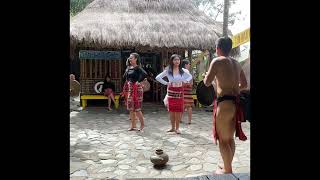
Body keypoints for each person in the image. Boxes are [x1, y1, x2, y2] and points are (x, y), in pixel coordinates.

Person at [203, 37, 248, 174]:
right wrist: (234, 90)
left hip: (224, 105)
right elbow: (244, 85)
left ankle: (228, 171)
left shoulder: (217, 61)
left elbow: (206, 82)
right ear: (230, 48)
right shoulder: (237, 63)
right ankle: (226, 165)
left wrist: (206, 76)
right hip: (235, 104)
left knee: (223, 140)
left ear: (217, 49)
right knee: (229, 139)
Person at [155, 54, 192, 134]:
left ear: (180, 61)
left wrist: (185, 81)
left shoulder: (183, 70)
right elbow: (158, 77)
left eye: (178, 60)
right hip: (171, 92)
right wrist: (166, 83)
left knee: (178, 110)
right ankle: (172, 127)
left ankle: (177, 128)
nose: (177, 61)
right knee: (171, 110)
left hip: (179, 91)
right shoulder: (168, 70)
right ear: (172, 61)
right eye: (175, 60)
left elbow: (190, 76)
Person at [123, 53, 148, 131]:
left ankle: (142, 125)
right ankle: (133, 125)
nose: (130, 59)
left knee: (137, 108)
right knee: (131, 108)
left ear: (136, 59)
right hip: (130, 89)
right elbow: (125, 77)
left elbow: (145, 74)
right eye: (129, 58)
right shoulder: (128, 68)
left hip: (137, 89)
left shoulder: (138, 68)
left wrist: (138, 81)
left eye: (131, 58)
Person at [181, 59, 193, 124]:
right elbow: (191, 83)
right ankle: (189, 121)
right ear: (185, 65)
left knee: (182, 105)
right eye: (189, 64)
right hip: (188, 90)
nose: (189, 65)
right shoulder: (187, 73)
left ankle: (180, 119)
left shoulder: (181, 72)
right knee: (189, 106)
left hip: (183, 90)